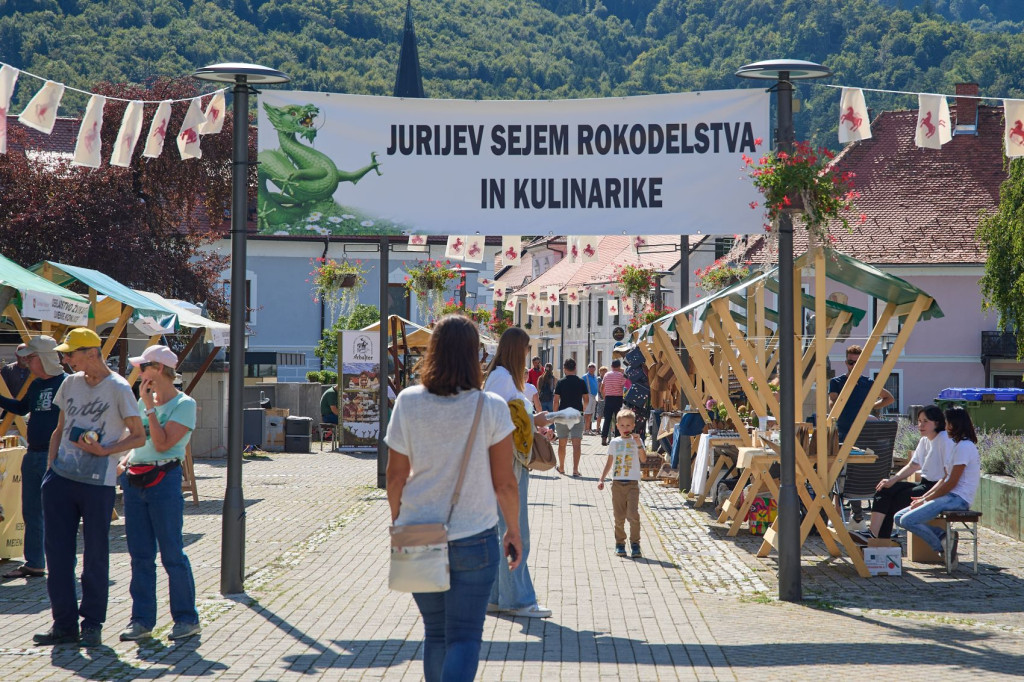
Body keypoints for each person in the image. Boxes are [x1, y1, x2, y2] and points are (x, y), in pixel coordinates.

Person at [385, 315, 522, 681]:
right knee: (464, 636)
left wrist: (399, 519)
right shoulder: (491, 406)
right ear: (474, 355)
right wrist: (513, 531)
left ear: (433, 353)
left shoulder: (409, 402)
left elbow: (395, 476)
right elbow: (505, 482)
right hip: (475, 536)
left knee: (436, 633)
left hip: (418, 531)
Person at [34, 328, 146, 647]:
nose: (65, 359)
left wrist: (105, 451)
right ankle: (64, 624)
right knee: (57, 555)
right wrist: (50, 469)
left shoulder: (120, 388)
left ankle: (92, 624)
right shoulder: (69, 383)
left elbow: (138, 436)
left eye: (70, 353)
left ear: (93, 353)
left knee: (95, 555)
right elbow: (60, 429)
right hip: (60, 480)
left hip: (98, 484)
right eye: (64, 354)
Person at [116, 345, 201, 642]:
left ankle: (186, 619)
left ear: (160, 370)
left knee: (172, 554)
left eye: (144, 367)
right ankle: (141, 621)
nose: (139, 372)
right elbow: (136, 440)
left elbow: (164, 444)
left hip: (164, 479)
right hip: (135, 479)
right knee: (140, 556)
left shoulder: (185, 404)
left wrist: (149, 407)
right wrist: (120, 461)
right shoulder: (142, 403)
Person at [485, 327, 552, 618]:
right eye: (526, 350)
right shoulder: (501, 378)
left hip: (510, 456)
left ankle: (499, 596)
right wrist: (531, 420)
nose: (528, 356)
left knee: (505, 527)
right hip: (508, 458)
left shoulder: (503, 377)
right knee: (515, 528)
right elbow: (498, 418)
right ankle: (519, 600)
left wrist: (535, 422)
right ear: (517, 350)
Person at [0, 337, 66, 581]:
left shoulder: (67, 384)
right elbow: (20, 408)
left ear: (46, 358)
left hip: (56, 456)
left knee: (57, 513)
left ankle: (60, 561)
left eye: (30, 357)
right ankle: (35, 563)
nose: (25, 362)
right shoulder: (37, 384)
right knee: (31, 512)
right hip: (33, 453)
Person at [895, 406, 981, 570]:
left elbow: (952, 483)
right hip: (949, 496)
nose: (945, 427)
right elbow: (944, 478)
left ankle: (943, 548)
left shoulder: (964, 447)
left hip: (958, 499)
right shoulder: (957, 445)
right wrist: (923, 498)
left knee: (908, 520)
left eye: (947, 423)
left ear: (955, 424)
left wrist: (926, 499)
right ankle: (943, 537)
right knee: (899, 517)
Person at [858, 404, 953, 540]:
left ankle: (880, 540)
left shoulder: (944, 440)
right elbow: (913, 465)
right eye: (919, 421)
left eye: (925, 421)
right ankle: (873, 534)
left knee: (892, 501)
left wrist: (926, 497)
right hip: (924, 484)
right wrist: (892, 479)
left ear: (937, 423)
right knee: (884, 489)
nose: (921, 425)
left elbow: (948, 475)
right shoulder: (924, 440)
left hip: (936, 489)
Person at [597, 408, 648, 558]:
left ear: (633, 426)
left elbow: (643, 459)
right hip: (617, 484)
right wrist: (601, 479)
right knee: (618, 516)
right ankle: (620, 543)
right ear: (617, 426)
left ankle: (635, 543)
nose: (625, 429)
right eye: (622, 425)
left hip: (632, 483)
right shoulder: (614, 442)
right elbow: (609, 462)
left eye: (628, 426)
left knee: (633, 514)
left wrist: (639, 444)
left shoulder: (637, 441)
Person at [828, 344, 894, 441]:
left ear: (862, 363)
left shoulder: (868, 383)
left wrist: (870, 406)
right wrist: (850, 384)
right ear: (846, 363)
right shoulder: (836, 382)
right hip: (842, 432)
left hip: (863, 433)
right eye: (851, 362)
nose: (854, 365)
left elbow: (889, 398)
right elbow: (832, 405)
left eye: (857, 362)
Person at [553, 357, 589, 477]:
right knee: (576, 444)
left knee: (562, 443)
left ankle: (562, 467)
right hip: (577, 414)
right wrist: (582, 410)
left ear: (564, 369)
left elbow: (556, 400)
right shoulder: (581, 382)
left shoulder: (560, 382)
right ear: (575, 368)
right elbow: (586, 399)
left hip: (563, 414)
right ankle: (575, 470)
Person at [600, 359, 626, 446]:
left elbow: (602, 388)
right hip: (618, 398)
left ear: (611, 366)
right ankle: (617, 438)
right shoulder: (621, 375)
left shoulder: (606, 375)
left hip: (608, 398)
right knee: (618, 419)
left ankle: (604, 437)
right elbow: (626, 386)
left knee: (607, 419)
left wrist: (605, 396)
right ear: (619, 367)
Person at [582, 362, 600, 435]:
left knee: (591, 414)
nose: (591, 368)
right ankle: (585, 430)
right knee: (587, 414)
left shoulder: (595, 377)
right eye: (590, 366)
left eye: (593, 367)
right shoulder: (585, 377)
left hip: (594, 397)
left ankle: (588, 429)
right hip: (587, 396)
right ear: (588, 368)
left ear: (595, 368)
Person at [594, 365, 608, 435]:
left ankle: (606, 429)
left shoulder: (607, 378)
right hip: (601, 399)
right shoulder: (599, 379)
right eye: (602, 372)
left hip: (606, 398)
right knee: (599, 414)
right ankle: (597, 429)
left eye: (605, 372)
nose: (604, 373)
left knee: (606, 415)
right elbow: (600, 389)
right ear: (600, 372)